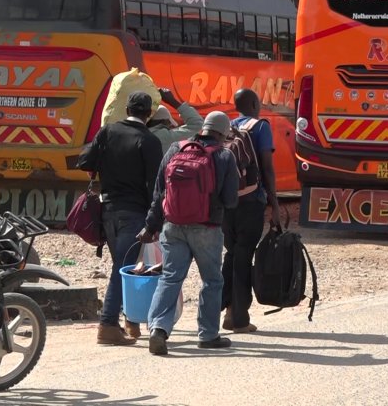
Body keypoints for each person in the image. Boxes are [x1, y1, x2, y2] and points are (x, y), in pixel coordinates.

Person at [139, 111, 240, 355]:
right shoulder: (225, 156)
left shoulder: (176, 149)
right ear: (223, 132)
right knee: (212, 281)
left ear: (204, 128)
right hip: (207, 228)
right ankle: (207, 335)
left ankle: (158, 330)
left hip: (172, 227)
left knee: (171, 278)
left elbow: (159, 193)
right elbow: (230, 200)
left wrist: (151, 226)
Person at [77, 91, 163, 345]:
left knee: (124, 265)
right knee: (123, 268)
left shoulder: (108, 132)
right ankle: (108, 325)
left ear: (127, 110)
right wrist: (155, 221)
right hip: (134, 213)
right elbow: (155, 187)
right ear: (148, 114)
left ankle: (130, 322)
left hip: (108, 210)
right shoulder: (149, 141)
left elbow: (84, 161)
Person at [221, 89, 282, 333]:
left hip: (227, 203)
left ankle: (227, 310)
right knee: (245, 256)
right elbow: (267, 168)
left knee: (231, 254)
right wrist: (274, 205)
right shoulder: (260, 127)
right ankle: (240, 318)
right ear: (255, 103)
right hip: (251, 202)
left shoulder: (227, 126)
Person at [147, 88, 204, 154]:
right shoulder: (165, 136)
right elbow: (197, 124)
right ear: (164, 122)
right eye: (169, 124)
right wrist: (173, 101)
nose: (170, 127)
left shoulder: (137, 134)